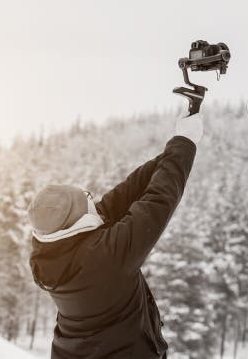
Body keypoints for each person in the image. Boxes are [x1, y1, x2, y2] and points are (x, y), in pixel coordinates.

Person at [27, 114, 204, 359]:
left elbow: (122, 196)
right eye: (88, 199)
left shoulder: (53, 252)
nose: (95, 203)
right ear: (79, 219)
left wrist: (174, 150)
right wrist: (185, 143)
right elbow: (157, 201)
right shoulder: (105, 259)